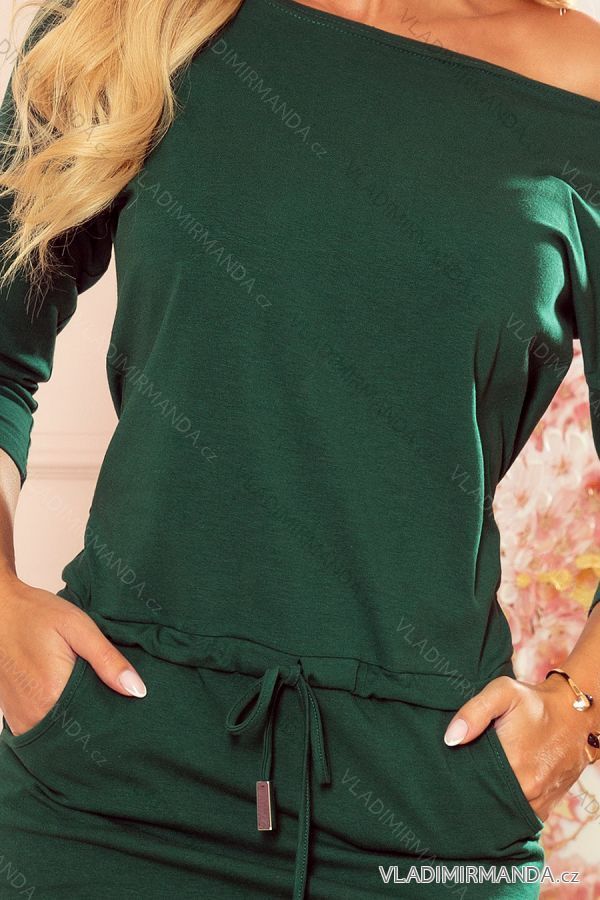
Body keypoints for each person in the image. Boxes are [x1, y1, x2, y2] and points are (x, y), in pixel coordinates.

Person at [0, 0, 599, 897]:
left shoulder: (582, 89)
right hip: (100, 776)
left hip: (430, 805)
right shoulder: (132, 23)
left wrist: (578, 716)